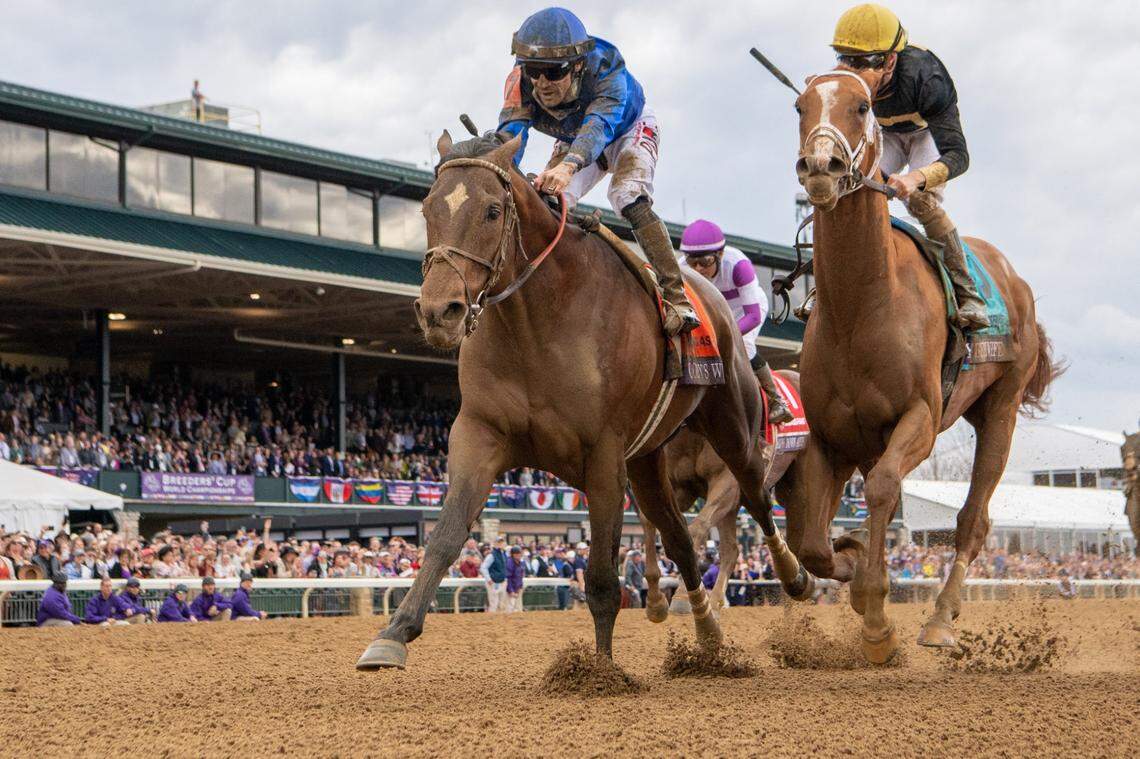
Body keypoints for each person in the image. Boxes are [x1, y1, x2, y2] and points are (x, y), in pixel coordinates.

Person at [498, 7, 698, 336]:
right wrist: (499, 167)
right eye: (534, 70)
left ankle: (677, 297)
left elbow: (600, 126)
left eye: (554, 71)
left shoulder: (609, 70)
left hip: (627, 128)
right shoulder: (519, 81)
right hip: (575, 137)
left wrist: (569, 165)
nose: (542, 82)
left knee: (626, 195)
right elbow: (511, 134)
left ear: (577, 64)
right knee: (548, 200)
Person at [830, 3, 989, 330]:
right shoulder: (842, 80)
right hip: (883, 134)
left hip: (924, 135)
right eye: (845, 58)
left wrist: (915, 178)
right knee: (843, 187)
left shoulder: (927, 77)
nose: (853, 71)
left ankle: (967, 291)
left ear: (890, 60)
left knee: (920, 200)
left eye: (865, 63)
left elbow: (959, 156)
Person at [680, 219, 793, 424]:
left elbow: (753, 317)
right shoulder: (681, 269)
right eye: (691, 262)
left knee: (744, 346)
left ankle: (776, 400)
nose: (697, 269)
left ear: (719, 255)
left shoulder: (738, 265)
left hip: (744, 309)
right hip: (710, 312)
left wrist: (719, 336)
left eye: (705, 262)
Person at [480, 536, 509, 613]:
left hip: (502, 581)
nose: (501, 544)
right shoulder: (492, 555)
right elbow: (483, 567)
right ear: (495, 544)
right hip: (493, 582)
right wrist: (488, 579)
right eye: (499, 542)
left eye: (502, 542)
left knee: (502, 604)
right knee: (494, 604)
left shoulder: (504, 554)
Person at [505, 546, 525, 613]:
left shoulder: (520, 562)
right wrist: (511, 591)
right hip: (511, 589)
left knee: (518, 609)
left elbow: (520, 576)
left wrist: (520, 587)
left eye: (519, 553)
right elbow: (508, 578)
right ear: (512, 554)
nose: (518, 555)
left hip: (518, 588)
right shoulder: (509, 562)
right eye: (516, 554)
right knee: (510, 609)